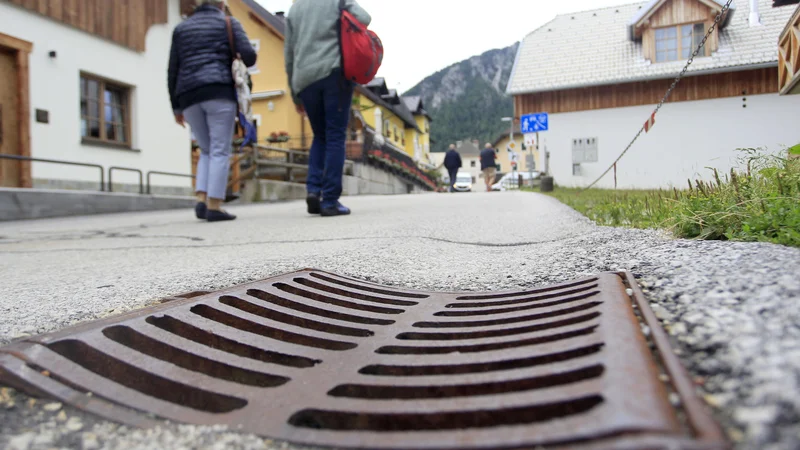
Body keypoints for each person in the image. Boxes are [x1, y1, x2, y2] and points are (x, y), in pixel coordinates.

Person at [168, 0, 256, 222]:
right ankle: (215, 205)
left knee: (205, 149)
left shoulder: (181, 28)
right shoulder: (228, 22)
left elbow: (173, 69)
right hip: (218, 90)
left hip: (188, 95)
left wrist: (176, 107)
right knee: (219, 149)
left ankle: (201, 199)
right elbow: (249, 55)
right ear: (221, 3)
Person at [285, 0, 371, 217]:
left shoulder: (295, 9)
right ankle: (330, 200)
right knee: (334, 136)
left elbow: (289, 54)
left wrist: (295, 95)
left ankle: (314, 190)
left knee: (320, 136)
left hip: (304, 80)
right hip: (333, 73)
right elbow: (364, 18)